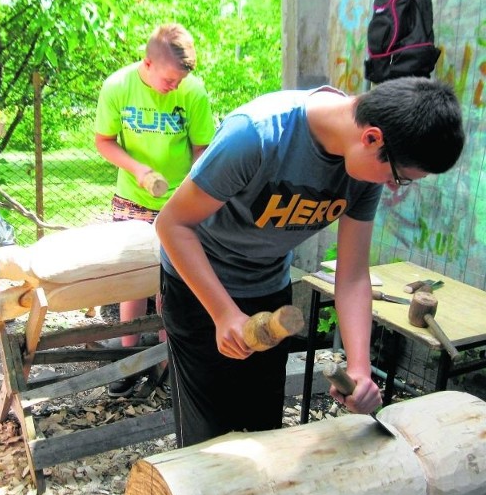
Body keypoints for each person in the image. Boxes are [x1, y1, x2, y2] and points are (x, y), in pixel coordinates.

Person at [155, 77, 464, 447]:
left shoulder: (365, 169)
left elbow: (351, 276)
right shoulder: (256, 136)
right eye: (401, 177)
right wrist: (223, 314)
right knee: (206, 437)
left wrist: (360, 370)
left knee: (263, 428)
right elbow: (172, 224)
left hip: (268, 287)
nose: (395, 187)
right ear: (372, 138)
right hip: (200, 287)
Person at [95, 23, 215, 397]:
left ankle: (169, 363)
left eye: (179, 81)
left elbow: (203, 149)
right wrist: (138, 170)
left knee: (173, 281)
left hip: (179, 202)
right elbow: (104, 141)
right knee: (132, 278)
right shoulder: (118, 86)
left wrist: (194, 193)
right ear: (147, 63)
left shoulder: (192, 91)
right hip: (132, 196)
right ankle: (129, 360)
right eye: (168, 80)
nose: (174, 87)